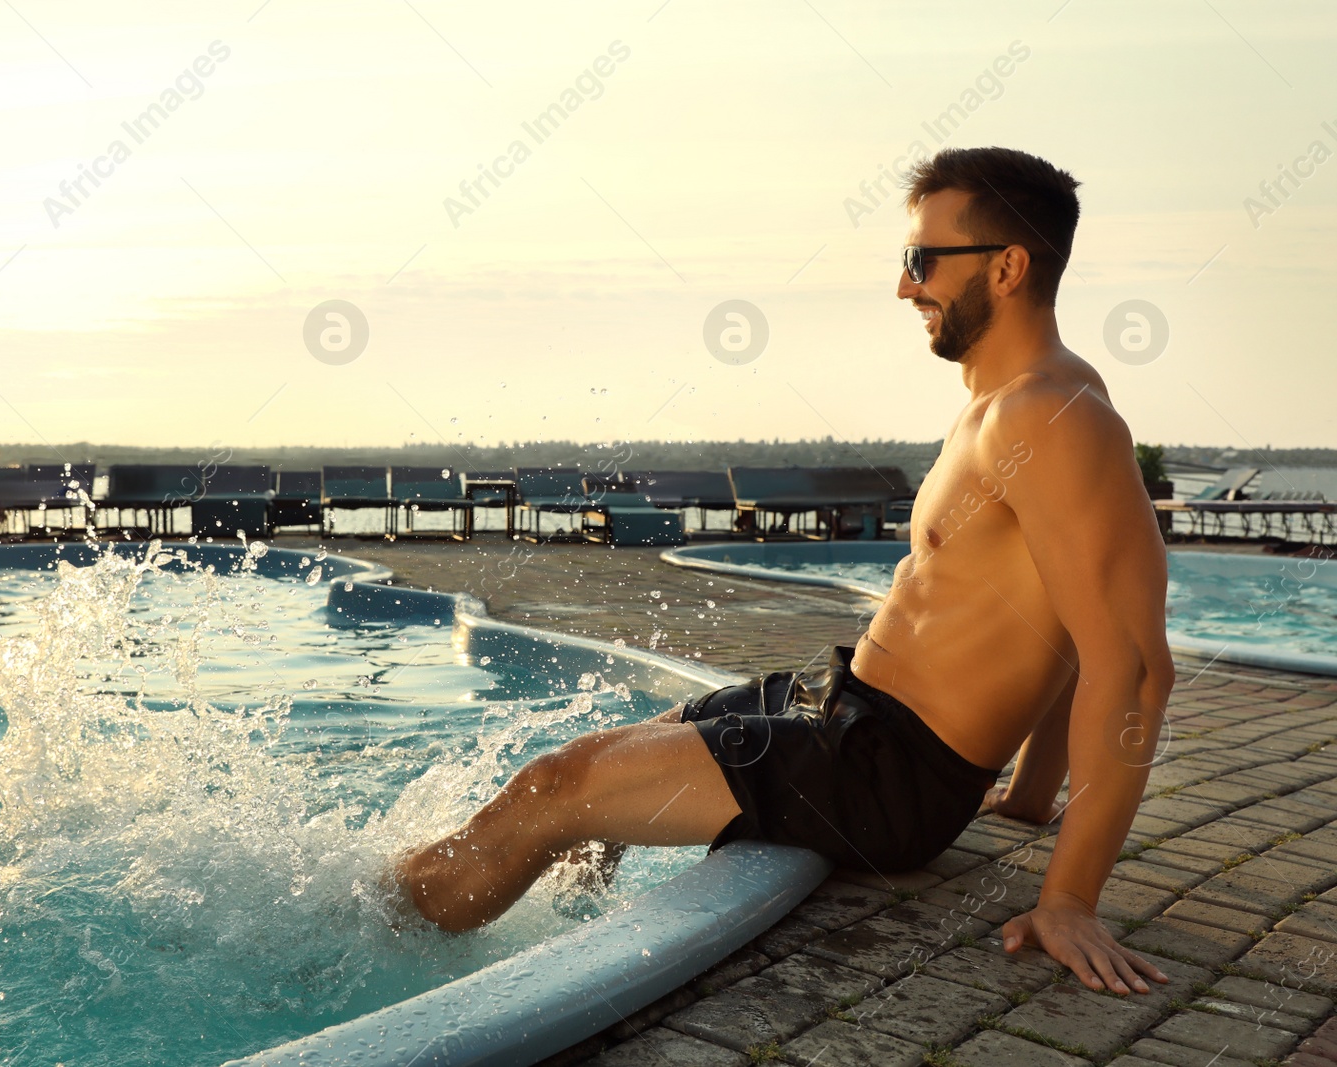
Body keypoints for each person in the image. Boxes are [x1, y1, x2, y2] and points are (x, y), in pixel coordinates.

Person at [393, 146, 1174, 997]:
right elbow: (1061, 615)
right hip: (853, 717)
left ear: (1009, 266)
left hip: (887, 772)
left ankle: (366, 937)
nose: (905, 288)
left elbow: (1131, 664)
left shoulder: (1055, 417)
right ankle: (545, 953)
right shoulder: (1008, 404)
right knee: (602, 769)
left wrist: (1070, 897)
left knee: (557, 785)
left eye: (922, 261)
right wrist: (1029, 793)